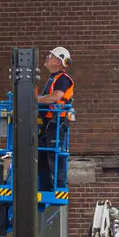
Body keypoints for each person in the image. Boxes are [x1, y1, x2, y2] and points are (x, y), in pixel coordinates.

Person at [35, 47, 75, 191]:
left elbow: (56, 97)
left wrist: (35, 100)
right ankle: (46, 186)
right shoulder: (52, 78)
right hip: (47, 124)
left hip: (56, 123)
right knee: (41, 156)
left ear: (58, 61)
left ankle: (59, 185)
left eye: (51, 56)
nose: (47, 58)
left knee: (54, 154)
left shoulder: (63, 79)